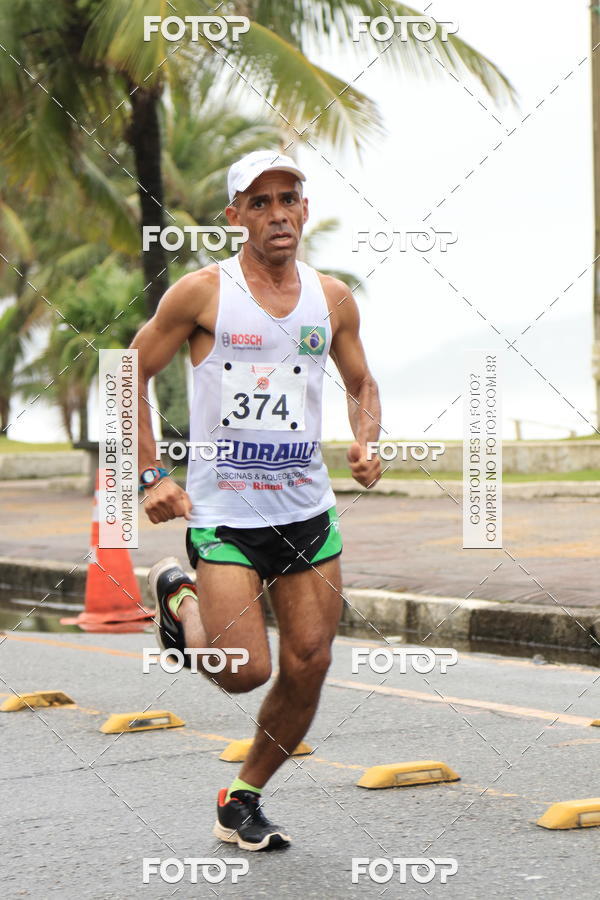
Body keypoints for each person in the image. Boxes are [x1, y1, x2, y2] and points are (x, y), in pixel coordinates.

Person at [132, 150, 381, 851]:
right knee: (246, 672)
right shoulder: (201, 295)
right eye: (261, 201)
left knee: (310, 661)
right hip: (226, 518)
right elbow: (131, 375)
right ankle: (180, 600)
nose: (277, 214)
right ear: (235, 215)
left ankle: (242, 796)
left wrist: (366, 442)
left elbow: (363, 384)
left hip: (307, 513)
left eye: (289, 199)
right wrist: (152, 477)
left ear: (305, 209)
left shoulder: (331, 299)